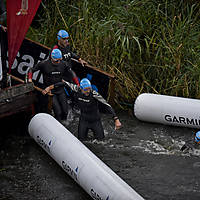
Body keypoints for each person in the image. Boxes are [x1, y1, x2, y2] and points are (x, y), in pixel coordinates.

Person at [43, 78, 122, 141]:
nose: (88, 91)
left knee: (101, 141)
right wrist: (49, 87)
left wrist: (116, 119)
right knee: (81, 140)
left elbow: (107, 105)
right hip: (84, 120)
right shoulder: (76, 89)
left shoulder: (94, 94)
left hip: (95, 121)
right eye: (86, 89)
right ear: (81, 88)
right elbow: (64, 84)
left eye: (89, 89)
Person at [27, 49, 79, 123]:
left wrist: (77, 84)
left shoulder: (63, 64)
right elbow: (31, 70)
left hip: (60, 90)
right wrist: (30, 79)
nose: (58, 62)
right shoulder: (44, 64)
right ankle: (55, 124)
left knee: (65, 112)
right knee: (58, 112)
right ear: (52, 59)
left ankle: (63, 126)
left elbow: (72, 73)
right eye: (56, 61)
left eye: (59, 60)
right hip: (50, 92)